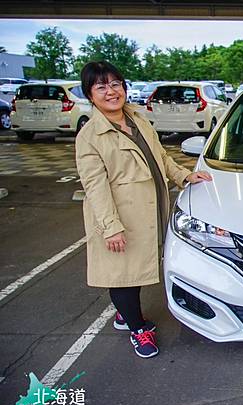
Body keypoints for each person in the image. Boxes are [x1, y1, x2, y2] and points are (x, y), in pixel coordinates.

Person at [75, 61, 212, 359]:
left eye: (115, 84)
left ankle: (125, 316)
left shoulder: (137, 118)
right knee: (123, 275)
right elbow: (95, 186)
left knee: (134, 270)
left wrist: (183, 175)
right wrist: (111, 227)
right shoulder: (89, 137)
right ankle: (138, 329)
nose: (111, 92)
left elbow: (159, 156)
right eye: (101, 87)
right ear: (90, 94)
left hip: (147, 211)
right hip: (120, 216)